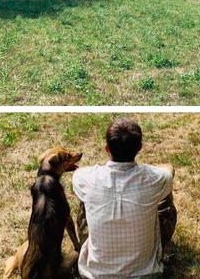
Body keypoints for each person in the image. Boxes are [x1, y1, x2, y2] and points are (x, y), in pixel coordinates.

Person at [72, 118, 176, 278]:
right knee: (164, 194)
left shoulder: (87, 178)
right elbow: (169, 169)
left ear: (107, 149)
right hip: (146, 275)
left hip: (94, 275)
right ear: (139, 147)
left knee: (85, 198)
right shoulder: (153, 178)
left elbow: (79, 174)